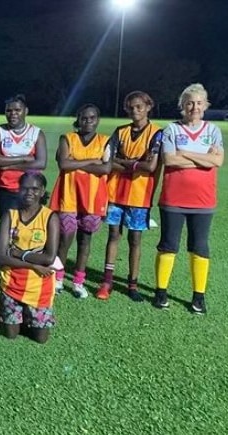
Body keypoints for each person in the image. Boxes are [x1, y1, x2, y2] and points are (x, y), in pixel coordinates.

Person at [154, 83, 224, 314]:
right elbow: (170, 160)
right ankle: (161, 292)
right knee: (168, 246)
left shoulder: (213, 130)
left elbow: (218, 162)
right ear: (182, 106)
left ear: (205, 105)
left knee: (200, 247)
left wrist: (185, 153)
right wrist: (203, 157)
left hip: (203, 200)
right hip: (173, 198)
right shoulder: (171, 130)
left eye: (198, 102)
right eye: (189, 102)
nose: (194, 106)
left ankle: (198, 297)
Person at [96, 91, 163, 302]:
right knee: (113, 235)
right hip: (115, 191)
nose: (135, 111)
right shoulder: (120, 131)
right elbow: (107, 160)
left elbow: (150, 166)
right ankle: (107, 281)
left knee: (135, 239)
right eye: (131, 107)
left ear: (148, 107)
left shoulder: (157, 133)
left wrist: (123, 161)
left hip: (140, 194)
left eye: (139, 107)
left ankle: (132, 284)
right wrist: (135, 164)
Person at [48, 103, 110, 298]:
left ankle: (78, 282)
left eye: (92, 118)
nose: (88, 122)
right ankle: (58, 278)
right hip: (69, 196)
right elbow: (64, 164)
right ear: (78, 119)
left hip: (93, 199)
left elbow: (106, 169)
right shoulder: (68, 138)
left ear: (97, 120)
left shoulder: (105, 141)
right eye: (84, 118)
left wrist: (77, 164)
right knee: (65, 239)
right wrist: (93, 161)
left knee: (85, 240)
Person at [0, 172, 59, 344]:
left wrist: (17, 253)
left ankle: (26, 313)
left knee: (41, 339)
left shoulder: (50, 217)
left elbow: (49, 258)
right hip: (12, 282)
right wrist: (33, 265)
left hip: (39, 286)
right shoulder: (10, 215)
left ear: (42, 191)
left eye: (35, 189)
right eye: (25, 188)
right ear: (18, 189)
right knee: (11, 335)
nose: (29, 192)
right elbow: (0, 256)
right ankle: (20, 312)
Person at [0, 94, 48, 218]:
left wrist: (9, 166)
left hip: (30, 188)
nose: (13, 114)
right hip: (5, 187)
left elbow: (41, 163)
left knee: (28, 225)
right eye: (9, 110)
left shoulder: (36, 133)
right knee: (8, 225)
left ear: (25, 111)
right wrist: (25, 158)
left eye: (17, 110)